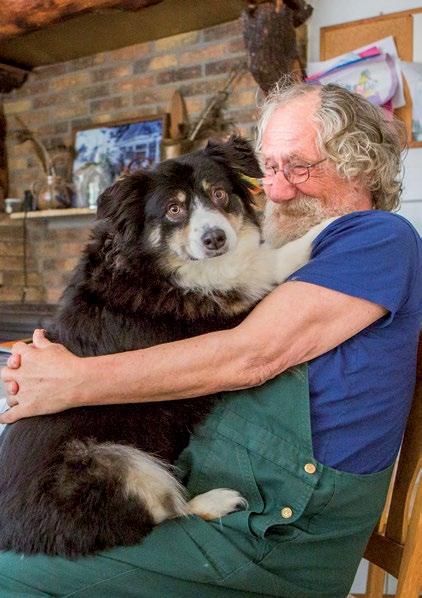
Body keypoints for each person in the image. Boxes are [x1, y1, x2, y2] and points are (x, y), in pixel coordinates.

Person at [0, 81, 421, 598]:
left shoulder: (376, 237)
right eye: (270, 168)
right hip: (228, 498)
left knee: (8, 574)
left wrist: (73, 380)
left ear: (359, 166)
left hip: (274, 532)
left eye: (300, 167)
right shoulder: (291, 254)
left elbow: (250, 355)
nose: (279, 188)